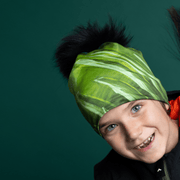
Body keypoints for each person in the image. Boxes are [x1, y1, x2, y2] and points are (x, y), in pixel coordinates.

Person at [55, 6, 180, 180]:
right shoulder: (110, 175)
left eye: (136, 108)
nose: (133, 134)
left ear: (161, 100)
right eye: (111, 127)